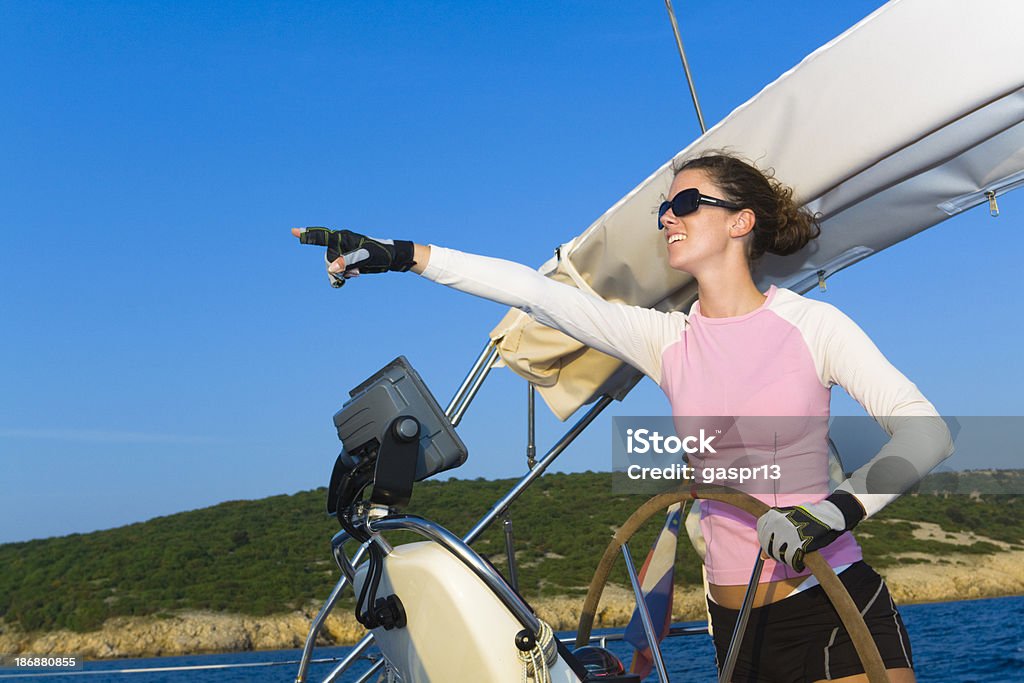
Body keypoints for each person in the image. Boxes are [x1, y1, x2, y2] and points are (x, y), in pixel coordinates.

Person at [291, 152, 953, 683]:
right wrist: (399, 252)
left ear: (741, 221)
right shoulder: (668, 342)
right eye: (666, 206)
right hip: (735, 622)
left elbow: (927, 431)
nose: (668, 216)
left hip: (827, 604)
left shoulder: (814, 327)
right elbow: (532, 292)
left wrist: (830, 512)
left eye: (686, 203)